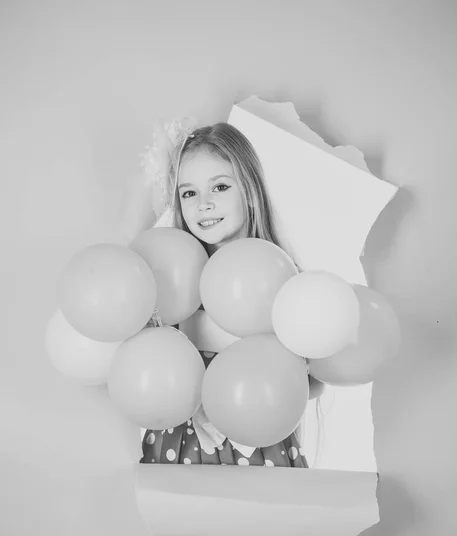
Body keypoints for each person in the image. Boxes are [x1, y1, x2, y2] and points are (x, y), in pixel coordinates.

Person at [120, 121, 324, 467]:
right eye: (189, 193)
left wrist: (294, 367)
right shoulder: (172, 284)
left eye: (220, 187)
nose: (204, 204)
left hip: (258, 448)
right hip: (180, 445)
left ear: (250, 190)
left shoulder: (283, 281)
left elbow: (314, 384)